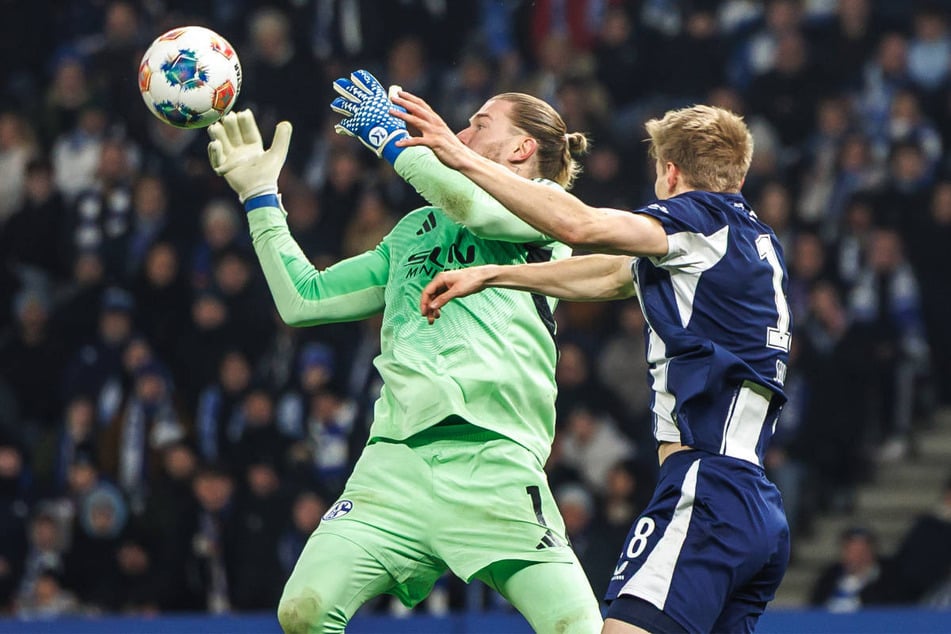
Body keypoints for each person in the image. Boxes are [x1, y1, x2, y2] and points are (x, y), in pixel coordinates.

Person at [205, 69, 603, 633]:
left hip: (494, 462)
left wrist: (390, 138)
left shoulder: (548, 210)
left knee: (577, 627)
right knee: (302, 611)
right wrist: (259, 198)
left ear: (522, 148)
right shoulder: (415, 229)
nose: (460, 133)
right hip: (395, 463)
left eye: (479, 124)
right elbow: (304, 299)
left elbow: (471, 203)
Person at [389, 91, 792, 632]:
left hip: (707, 489)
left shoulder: (696, 219)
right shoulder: (748, 242)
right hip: (755, 503)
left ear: (670, 172)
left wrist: (456, 155)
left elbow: (579, 227)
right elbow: (610, 274)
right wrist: (492, 275)